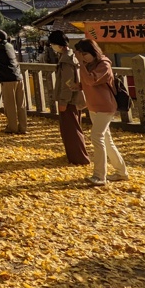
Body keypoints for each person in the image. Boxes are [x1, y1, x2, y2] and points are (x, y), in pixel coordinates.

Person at [72, 39, 128, 186]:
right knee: (107, 140)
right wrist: (78, 86)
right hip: (93, 106)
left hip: (105, 106)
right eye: (80, 54)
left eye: (85, 54)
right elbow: (87, 83)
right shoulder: (89, 64)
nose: (83, 57)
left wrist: (80, 64)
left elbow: (91, 80)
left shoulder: (104, 64)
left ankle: (99, 176)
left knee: (97, 137)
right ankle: (121, 172)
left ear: (93, 52)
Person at [48, 31, 89, 166]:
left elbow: (68, 83)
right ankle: (76, 156)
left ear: (57, 44)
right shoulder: (72, 56)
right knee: (74, 127)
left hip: (70, 100)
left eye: (52, 44)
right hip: (76, 98)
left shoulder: (66, 60)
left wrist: (63, 101)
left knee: (70, 129)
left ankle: (78, 158)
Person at [0, 29, 26, 134]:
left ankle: (12, 128)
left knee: (10, 105)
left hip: (8, 80)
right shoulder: (9, 46)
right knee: (21, 104)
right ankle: (23, 128)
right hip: (18, 77)